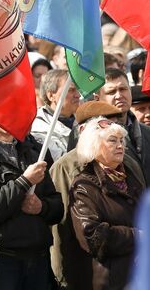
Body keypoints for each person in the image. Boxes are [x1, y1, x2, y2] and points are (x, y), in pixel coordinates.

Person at [0, 121, 62, 290]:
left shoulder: (35, 151)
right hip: (2, 261)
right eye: (2, 110)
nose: (8, 116)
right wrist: (24, 182)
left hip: (38, 259)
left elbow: (58, 207)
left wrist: (42, 207)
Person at [49, 100, 126, 289]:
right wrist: (61, 274)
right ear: (87, 131)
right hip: (88, 271)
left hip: (126, 268)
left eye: (118, 133)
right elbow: (61, 226)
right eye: (109, 134)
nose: (118, 142)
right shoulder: (66, 167)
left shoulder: (127, 164)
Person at [69, 117, 145, 290]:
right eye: (112, 140)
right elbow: (93, 237)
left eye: (122, 140)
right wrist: (137, 236)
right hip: (110, 280)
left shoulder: (130, 176)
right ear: (93, 145)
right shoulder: (84, 185)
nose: (120, 146)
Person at [94, 68, 150, 183]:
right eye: (111, 92)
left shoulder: (147, 132)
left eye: (123, 89)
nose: (119, 95)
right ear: (97, 98)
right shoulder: (89, 134)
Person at [30, 69, 80, 162]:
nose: (78, 95)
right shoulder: (39, 126)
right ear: (51, 96)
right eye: (71, 90)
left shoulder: (84, 120)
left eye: (78, 90)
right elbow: (62, 163)